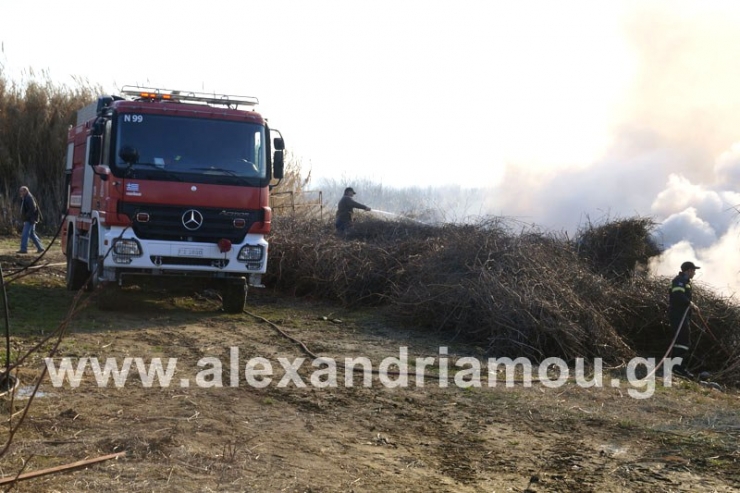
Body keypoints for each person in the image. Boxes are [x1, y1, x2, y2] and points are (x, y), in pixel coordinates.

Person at [668, 261, 701, 378]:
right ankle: (678, 368)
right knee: (683, 342)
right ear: (688, 270)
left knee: (680, 342)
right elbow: (677, 295)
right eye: (693, 270)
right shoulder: (679, 280)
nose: (695, 273)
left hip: (682, 316)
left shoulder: (684, 281)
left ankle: (674, 367)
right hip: (678, 316)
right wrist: (690, 303)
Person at [17, 186, 44, 254]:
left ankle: (23, 249)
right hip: (30, 219)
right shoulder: (25, 198)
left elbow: (33, 208)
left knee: (25, 234)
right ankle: (40, 248)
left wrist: (27, 216)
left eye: (21, 191)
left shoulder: (29, 198)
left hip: (30, 219)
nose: (20, 193)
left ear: (25, 191)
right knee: (32, 234)